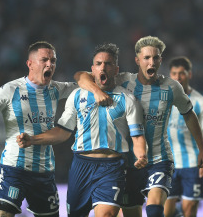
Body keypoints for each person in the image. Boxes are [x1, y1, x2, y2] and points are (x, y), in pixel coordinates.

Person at [74, 36, 203, 217]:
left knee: (154, 209)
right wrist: (96, 91)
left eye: (155, 58)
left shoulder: (171, 87)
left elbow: (189, 115)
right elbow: (80, 76)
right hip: (129, 165)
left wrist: (202, 149)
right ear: (137, 60)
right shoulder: (123, 81)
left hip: (160, 161)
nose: (151, 62)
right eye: (146, 58)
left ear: (161, 60)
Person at [16, 43, 148, 217]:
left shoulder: (127, 99)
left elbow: (137, 137)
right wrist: (32, 140)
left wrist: (142, 155)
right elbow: (63, 131)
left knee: (107, 214)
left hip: (112, 166)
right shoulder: (77, 96)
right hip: (81, 166)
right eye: (99, 64)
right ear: (92, 69)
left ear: (116, 70)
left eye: (108, 64)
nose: (103, 67)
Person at [0, 41, 78, 217]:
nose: (50, 64)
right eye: (44, 59)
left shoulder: (56, 89)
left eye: (53, 60)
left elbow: (85, 82)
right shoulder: (9, 90)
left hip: (44, 172)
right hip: (14, 169)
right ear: (30, 64)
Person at [164, 56, 203, 217]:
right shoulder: (162, 100)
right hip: (168, 164)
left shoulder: (202, 103)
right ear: (170, 75)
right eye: (174, 73)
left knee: (190, 208)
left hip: (193, 165)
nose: (178, 77)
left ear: (189, 75)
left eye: (182, 73)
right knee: (166, 211)